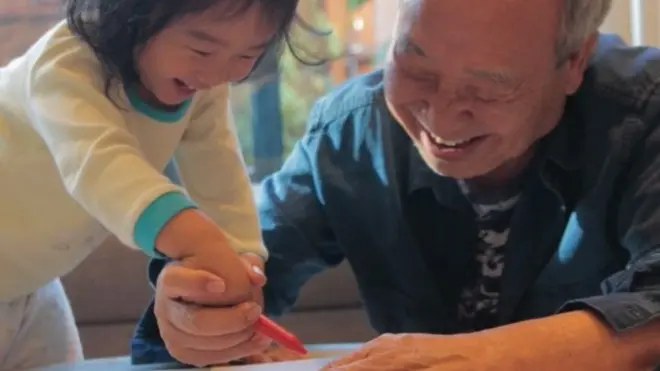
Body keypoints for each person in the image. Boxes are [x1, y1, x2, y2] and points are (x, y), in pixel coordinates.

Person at [133, 0, 660, 369]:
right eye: (416, 67)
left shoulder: (644, 118)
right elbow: (248, 259)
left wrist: (493, 358)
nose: (444, 119)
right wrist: (196, 308)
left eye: (489, 87)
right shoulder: (352, 132)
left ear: (573, 63)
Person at [0, 0, 305, 368]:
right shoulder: (65, 65)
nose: (218, 74)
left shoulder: (202, 83)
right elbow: (100, 164)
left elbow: (221, 175)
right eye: (202, 49)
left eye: (247, 55)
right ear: (130, 13)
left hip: (33, 285)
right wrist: (198, 241)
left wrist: (243, 259)